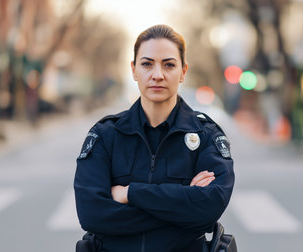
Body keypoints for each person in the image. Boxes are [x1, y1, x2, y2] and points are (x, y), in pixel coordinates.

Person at [74, 24, 235, 252]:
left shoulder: (207, 135)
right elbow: (92, 214)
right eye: (147, 64)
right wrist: (183, 209)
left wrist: (129, 193)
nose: (157, 75)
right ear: (133, 70)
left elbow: (209, 208)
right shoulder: (105, 135)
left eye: (169, 65)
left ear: (183, 72)